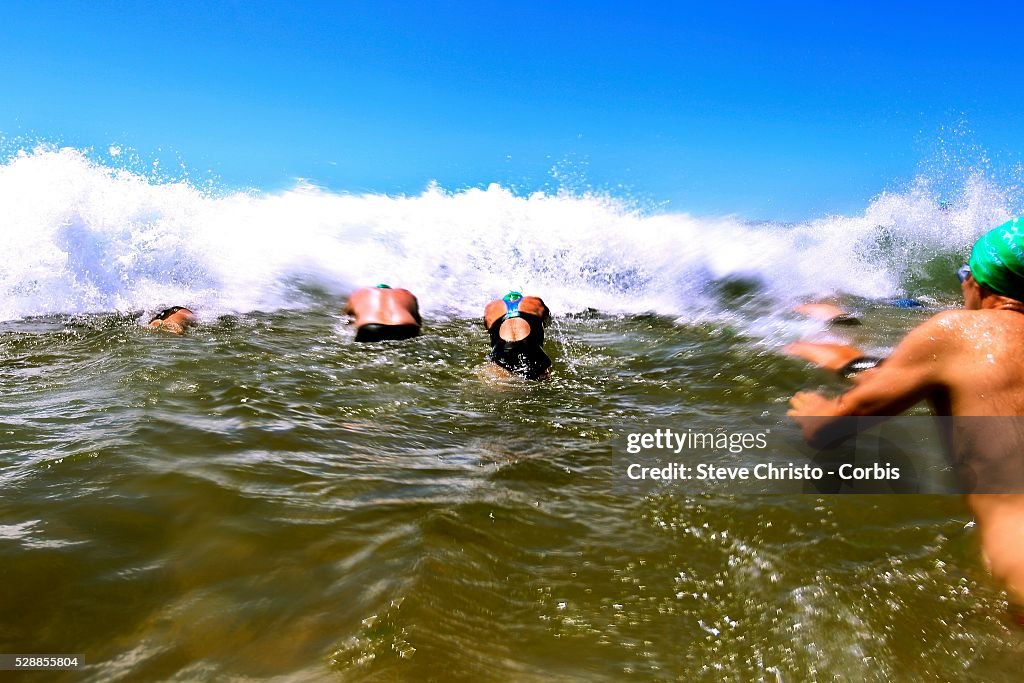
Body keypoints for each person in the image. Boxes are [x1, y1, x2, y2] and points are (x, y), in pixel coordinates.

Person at [788, 217, 1024, 618]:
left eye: (963, 272)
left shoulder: (957, 331)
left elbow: (833, 428)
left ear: (978, 283)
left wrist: (814, 414)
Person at [483, 292, 552, 380]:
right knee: (544, 382)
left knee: (498, 379)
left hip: (503, 349)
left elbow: (488, 329)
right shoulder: (534, 301)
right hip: (530, 347)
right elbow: (548, 321)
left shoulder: (491, 308)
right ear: (521, 298)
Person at [345, 285, 421, 342]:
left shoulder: (358, 293)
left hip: (371, 327)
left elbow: (347, 321)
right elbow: (418, 321)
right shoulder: (407, 293)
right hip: (406, 327)